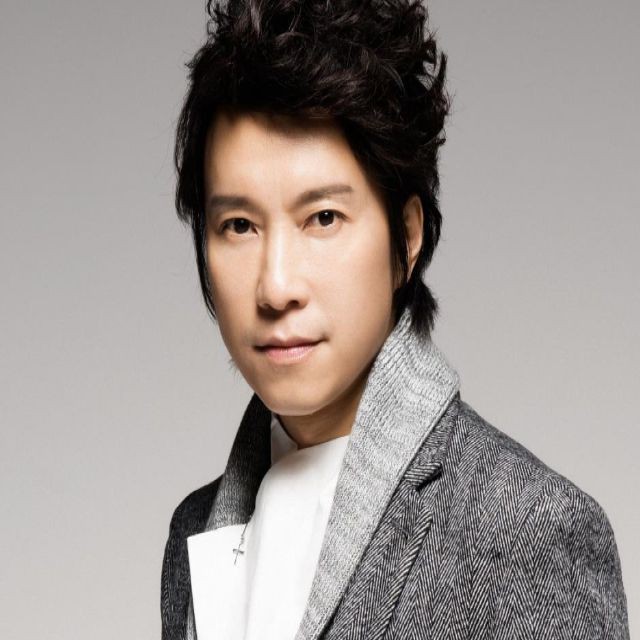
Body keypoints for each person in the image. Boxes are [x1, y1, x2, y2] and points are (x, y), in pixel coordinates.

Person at [161, 1, 630, 638]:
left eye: (323, 218)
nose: (276, 287)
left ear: (406, 237)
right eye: (239, 225)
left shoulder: (528, 528)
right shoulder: (193, 531)